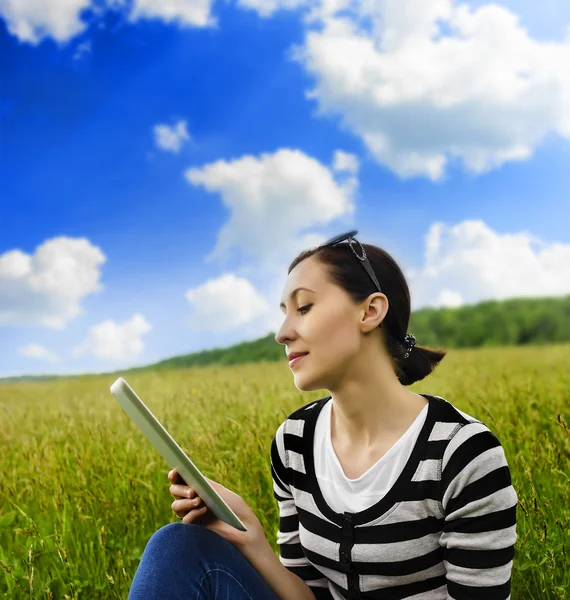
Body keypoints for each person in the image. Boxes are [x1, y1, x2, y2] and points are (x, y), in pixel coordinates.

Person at [128, 231, 518, 600]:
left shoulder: (461, 454)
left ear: (370, 311)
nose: (282, 333)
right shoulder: (295, 440)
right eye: (285, 313)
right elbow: (310, 593)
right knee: (176, 544)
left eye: (304, 307)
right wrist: (251, 540)